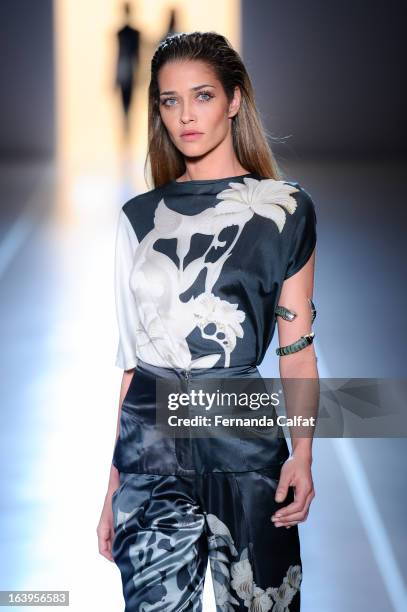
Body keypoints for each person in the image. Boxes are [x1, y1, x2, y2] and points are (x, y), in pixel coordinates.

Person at [97, 31, 318, 611]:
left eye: (201, 96)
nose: (186, 115)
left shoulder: (283, 210)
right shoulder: (136, 220)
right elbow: (131, 361)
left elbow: (296, 350)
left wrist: (302, 453)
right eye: (170, 101)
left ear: (235, 100)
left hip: (246, 450)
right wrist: (112, 484)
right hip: (148, 455)